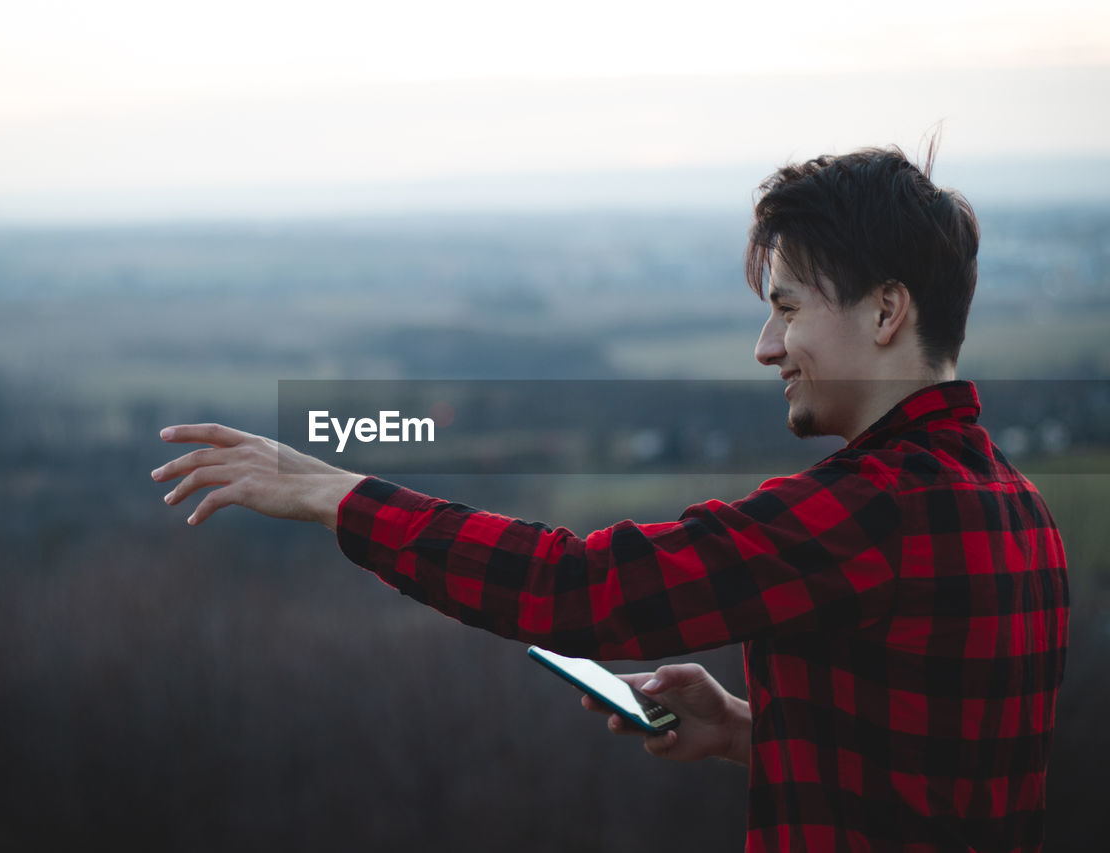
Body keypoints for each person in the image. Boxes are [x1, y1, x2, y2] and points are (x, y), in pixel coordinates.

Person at [150, 144, 1068, 852]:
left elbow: (576, 589)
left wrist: (336, 494)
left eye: (788, 308)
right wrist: (749, 731)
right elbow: (938, 785)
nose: (766, 345)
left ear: (884, 312)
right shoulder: (1021, 511)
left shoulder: (871, 512)